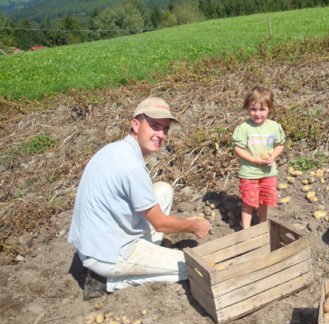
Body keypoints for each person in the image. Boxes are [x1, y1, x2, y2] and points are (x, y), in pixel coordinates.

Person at [68, 96, 211, 300]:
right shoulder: (132, 167)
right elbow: (160, 224)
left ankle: (144, 254)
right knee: (191, 267)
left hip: (94, 241)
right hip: (108, 255)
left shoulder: (115, 150)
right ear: (135, 124)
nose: (160, 134)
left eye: (165, 129)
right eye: (154, 126)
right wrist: (194, 226)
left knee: (163, 190)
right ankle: (108, 280)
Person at [232, 86, 286, 229]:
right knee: (248, 202)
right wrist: (253, 160)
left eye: (262, 109)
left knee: (264, 200)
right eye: (253, 109)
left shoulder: (274, 127)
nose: (257, 114)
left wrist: (273, 155)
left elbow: (280, 145)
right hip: (249, 173)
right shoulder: (244, 128)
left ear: (269, 109)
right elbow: (238, 149)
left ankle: (262, 225)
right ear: (247, 109)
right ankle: (246, 229)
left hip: (268, 172)